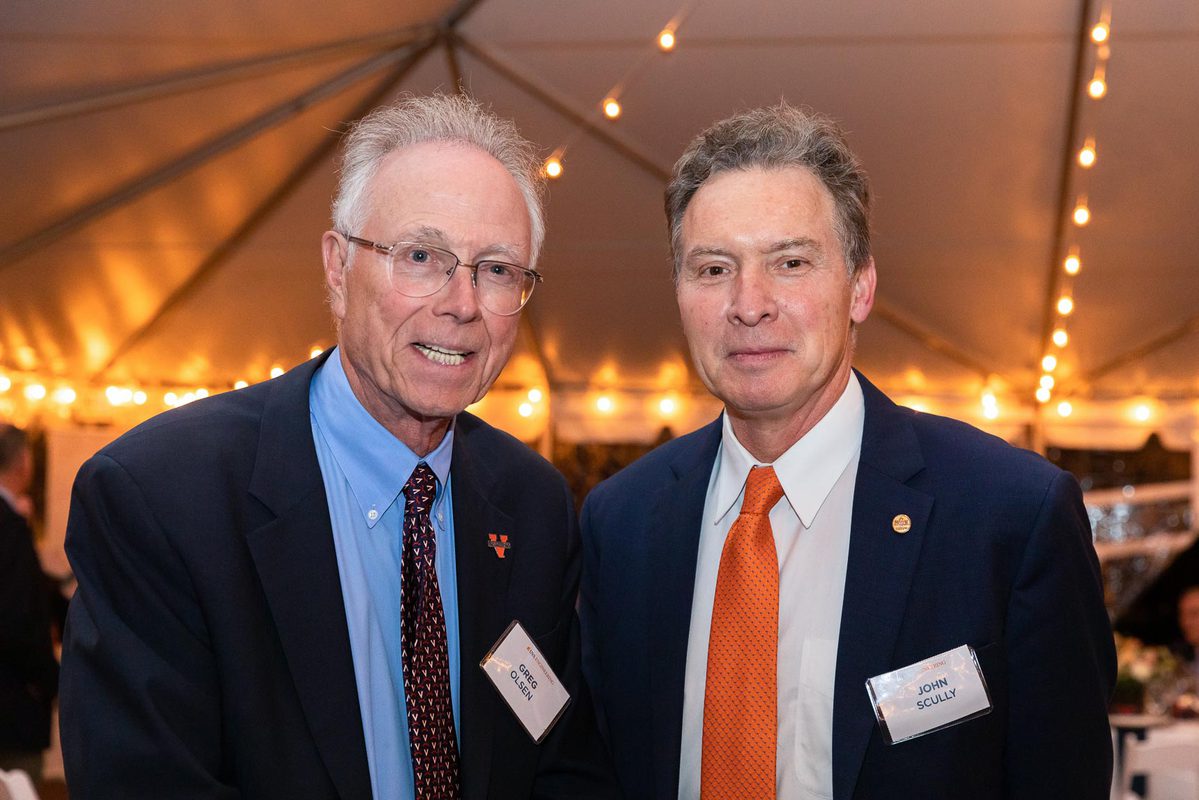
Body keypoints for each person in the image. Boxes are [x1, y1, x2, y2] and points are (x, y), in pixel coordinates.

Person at [61, 94, 617, 799]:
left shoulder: (531, 503)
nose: (462, 302)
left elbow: (557, 757)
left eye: (498, 270)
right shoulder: (163, 496)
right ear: (336, 265)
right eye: (421, 256)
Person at [579, 103, 1116, 799]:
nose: (749, 303)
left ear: (859, 287)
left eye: (790, 262)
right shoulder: (620, 522)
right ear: (679, 292)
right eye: (712, 269)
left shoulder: (1008, 516)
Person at [0, 424, 58, 785]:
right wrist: (49, 680)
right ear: (23, 462)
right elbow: (15, 618)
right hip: (10, 707)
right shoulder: (9, 526)